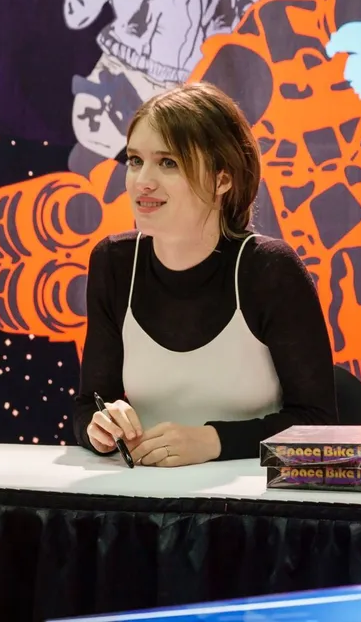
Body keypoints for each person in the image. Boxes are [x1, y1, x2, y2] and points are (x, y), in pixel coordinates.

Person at [73, 81, 339, 467]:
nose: (142, 181)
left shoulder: (269, 269)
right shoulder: (113, 262)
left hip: (254, 498)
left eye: (168, 163)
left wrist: (215, 441)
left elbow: (319, 424)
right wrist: (98, 428)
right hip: (148, 494)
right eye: (134, 160)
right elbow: (88, 405)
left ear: (222, 179)